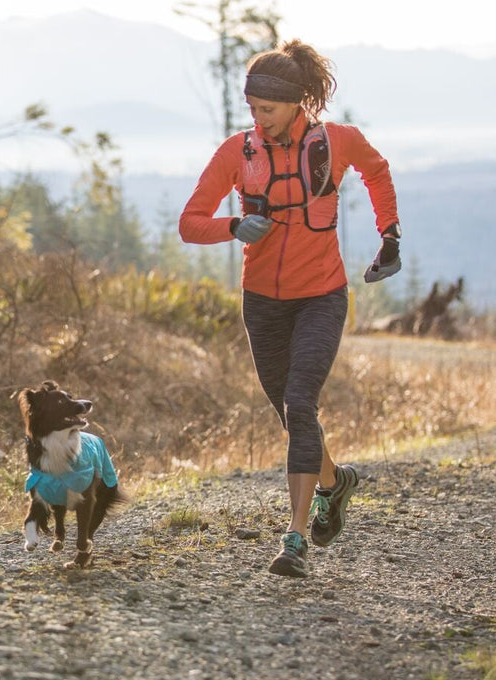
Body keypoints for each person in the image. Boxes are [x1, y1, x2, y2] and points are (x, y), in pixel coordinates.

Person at [178, 39, 401, 578]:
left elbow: (377, 171)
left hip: (322, 295)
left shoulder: (337, 141)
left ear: (299, 101)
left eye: (268, 110)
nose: (258, 119)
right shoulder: (238, 152)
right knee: (289, 413)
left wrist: (389, 235)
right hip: (262, 302)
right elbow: (190, 222)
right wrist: (232, 226)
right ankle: (334, 480)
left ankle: (296, 537)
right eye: (252, 109)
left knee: (301, 404)